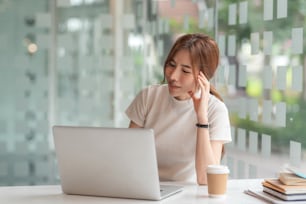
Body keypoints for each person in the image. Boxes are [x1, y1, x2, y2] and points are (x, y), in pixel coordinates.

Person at [125, 33, 232, 185]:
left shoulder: (216, 110)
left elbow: (205, 179)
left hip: (187, 194)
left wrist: (202, 118)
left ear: (203, 77)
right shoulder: (149, 96)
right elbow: (127, 155)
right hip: (143, 186)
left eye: (185, 71)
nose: (173, 76)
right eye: (171, 65)